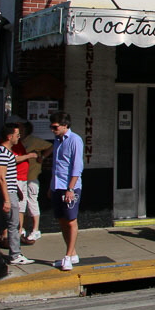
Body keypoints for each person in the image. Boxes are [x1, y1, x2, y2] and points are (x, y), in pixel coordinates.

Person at [0, 124, 35, 265]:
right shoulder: (2, 153)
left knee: (8, 223)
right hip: (7, 194)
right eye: (17, 135)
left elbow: (9, 176)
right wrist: (7, 199)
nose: (19, 137)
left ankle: (5, 252)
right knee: (13, 223)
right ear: (9, 136)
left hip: (11, 191)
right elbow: (1, 177)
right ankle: (15, 255)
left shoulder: (7, 152)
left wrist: (16, 190)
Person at [50, 112, 83, 271]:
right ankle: (72, 253)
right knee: (61, 220)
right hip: (57, 185)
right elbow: (56, 166)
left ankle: (68, 256)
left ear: (65, 125)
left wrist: (71, 188)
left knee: (71, 220)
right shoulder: (57, 141)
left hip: (70, 186)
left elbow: (77, 167)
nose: (53, 130)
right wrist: (51, 187)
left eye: (55, 127)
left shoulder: (75, 140)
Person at [17, 117, 52, 243]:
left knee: (32, 202)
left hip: (32, 176)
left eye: (21, 126)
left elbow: (50, 146)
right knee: (21, 205)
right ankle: (21, 229)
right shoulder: (17, 141)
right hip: (20, 177)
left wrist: (42, 157)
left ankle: (35, 229)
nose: (19, 129)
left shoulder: (34, 141)